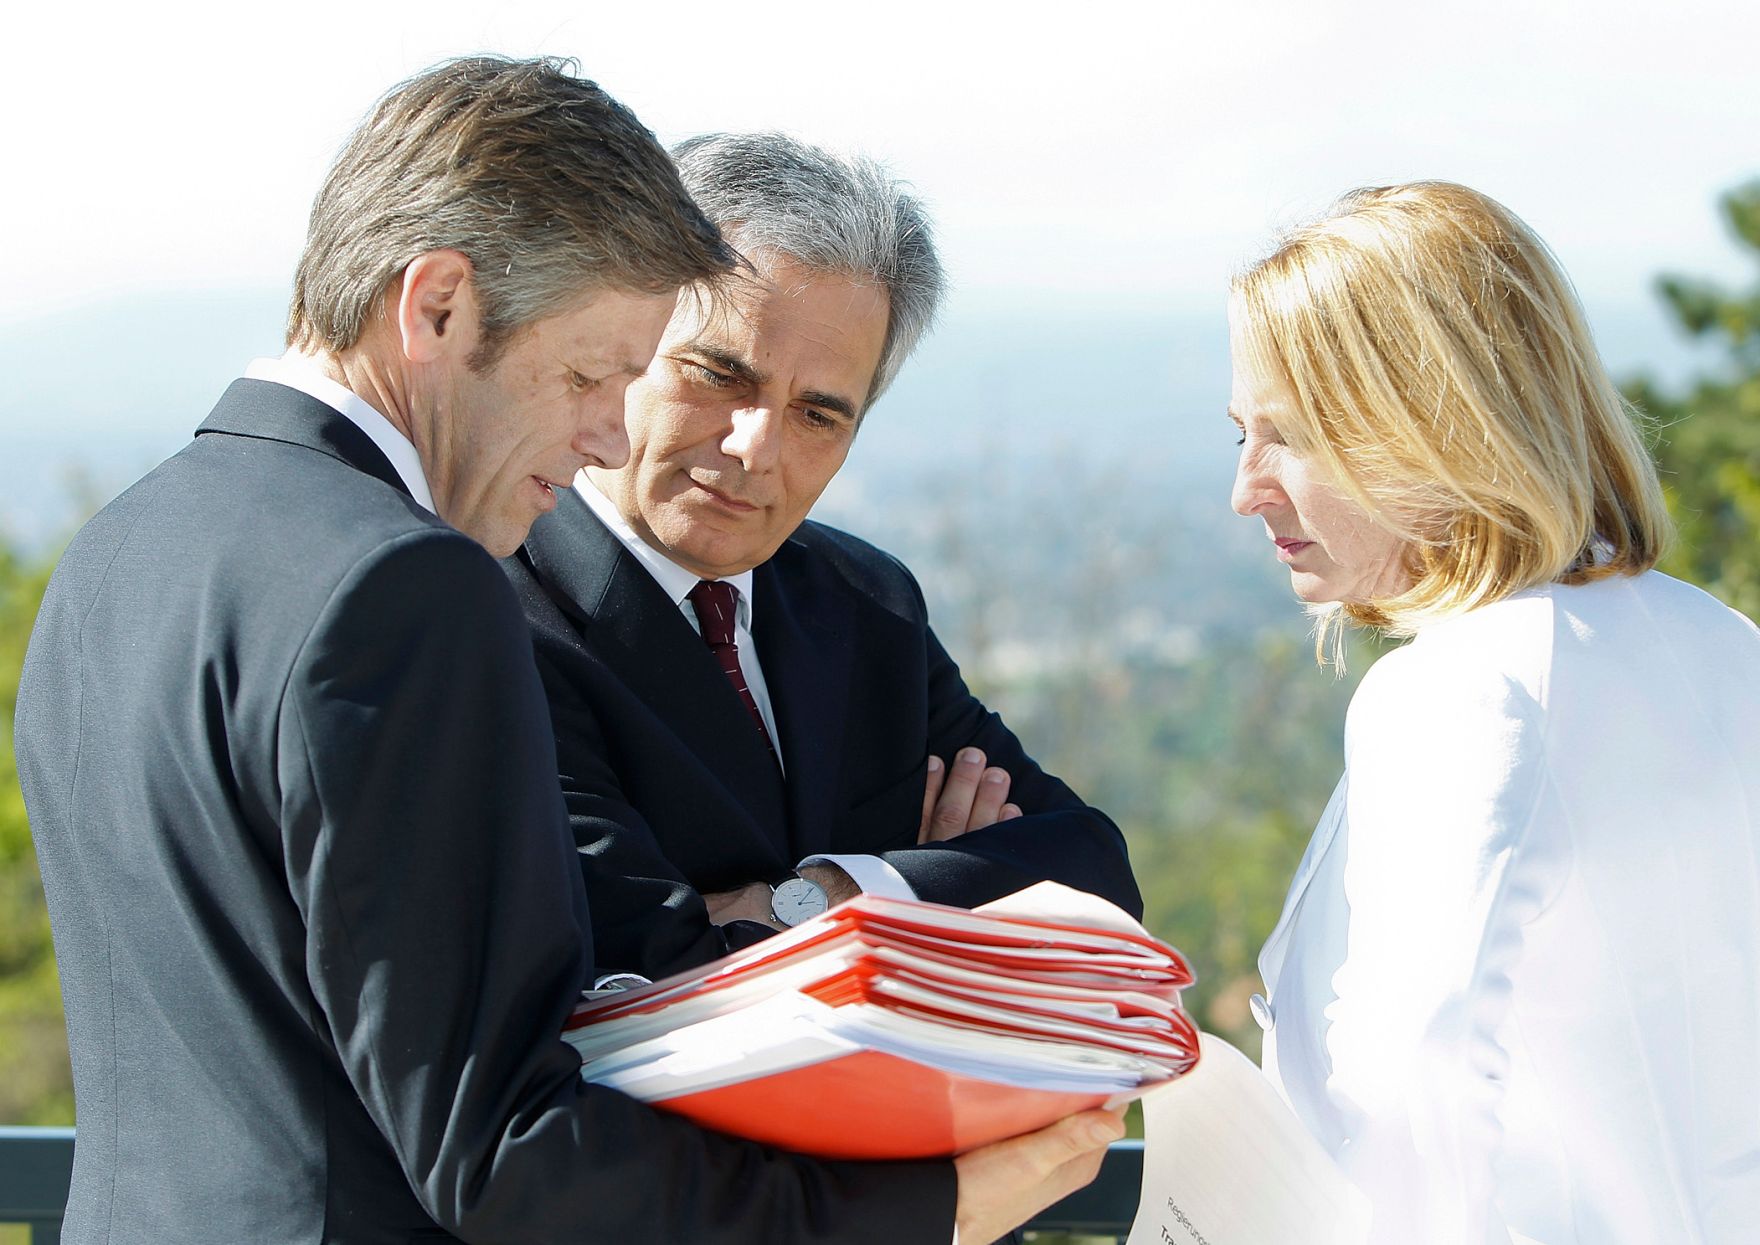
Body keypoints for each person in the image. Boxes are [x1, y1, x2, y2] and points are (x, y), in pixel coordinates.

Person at [14, 57, 1123, 1245]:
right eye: (597, 371)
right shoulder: (413, 585)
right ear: (437, 307)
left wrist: (817, 906)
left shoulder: (122, 541)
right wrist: (923, 1208)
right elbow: (507, 1150)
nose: (603, 427)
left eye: (818, 409)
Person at [1228, 180, 1760, 1243]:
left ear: (1428, 432)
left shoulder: (1464, 687)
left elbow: (1412, 1083)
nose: (1246, 488)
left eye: (1287, 439)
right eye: (1239, 435)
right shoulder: (1717, 641)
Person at [500, 131, 1142, 981]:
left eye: (817, 415)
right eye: (719, 374)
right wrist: (938, 904)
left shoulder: (864, 602)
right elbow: (645, 952)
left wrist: (837, 892)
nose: (755, 446)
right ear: (626, 346)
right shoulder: (496, 609)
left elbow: (1095, 879)